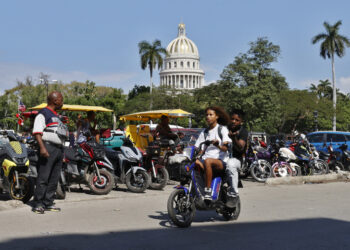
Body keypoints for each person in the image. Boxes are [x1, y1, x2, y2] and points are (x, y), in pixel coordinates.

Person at [32, 91, 66, 214]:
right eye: (61, 99)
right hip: (48, 148)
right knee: (43, 177)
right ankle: (38, 203)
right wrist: (42, 148)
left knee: (54, 178)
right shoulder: (43, 113)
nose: (62, 102)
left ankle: (48, 202)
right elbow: (37, 132)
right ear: (55, 100)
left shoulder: (56, 115)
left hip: (58, 149)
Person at [194, 106, 231, 201]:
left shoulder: (222, 129)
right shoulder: (204, 132)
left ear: (217, 116)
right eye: (206, 115)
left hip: (221, 162)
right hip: (206, 160)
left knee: (207, 161)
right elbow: (198, 148)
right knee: (194, 163)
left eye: (211, 114)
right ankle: (197, 190)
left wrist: (218, 145)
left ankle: (208, 191)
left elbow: (225, 148)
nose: (208, 117)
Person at [225, 109, 248, 208]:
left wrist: (234, 138)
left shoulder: (243, 132)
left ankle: (233, 195)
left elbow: (241, 147)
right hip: (222, 158)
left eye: (237, 120)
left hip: (236, 160)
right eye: (232, 119)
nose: (234, 121)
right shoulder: (223, 129)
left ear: (241, 122)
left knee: (231, 164)